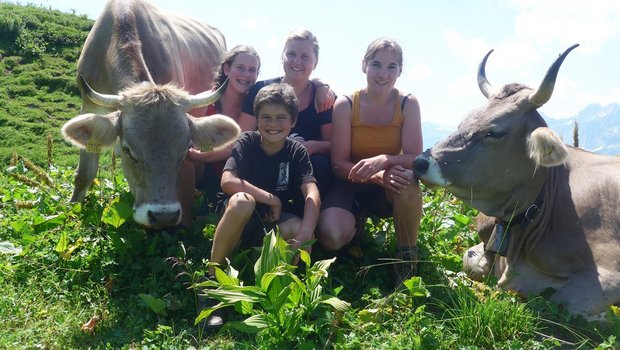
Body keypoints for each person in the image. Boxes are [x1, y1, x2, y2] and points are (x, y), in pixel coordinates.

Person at [202, 83, 321, 327]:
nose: (272, 124)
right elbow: (228, 181)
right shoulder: (246, 142)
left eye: (281, 118)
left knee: (296, 225)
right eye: (266, 117)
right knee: (242, 202)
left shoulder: (296, 151)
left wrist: (306, 234)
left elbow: (312, 192)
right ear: (256, 119)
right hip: (236, 221)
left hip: (269, 227)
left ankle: (279, 290)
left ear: (293, 122)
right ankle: (212, 284)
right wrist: (271, 198)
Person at [317, 38, 423, 286]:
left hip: (388, 185)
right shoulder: (346, 104)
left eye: (392, 67)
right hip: (349, 182)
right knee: (331, 237)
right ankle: (356, 227)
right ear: (364, 65)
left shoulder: (407, 104)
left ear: (399, 70)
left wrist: (385, 160)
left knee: (408, 183)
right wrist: (374, 175)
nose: (383, 74)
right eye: (376, 64)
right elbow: (338, 164)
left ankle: (406, 257)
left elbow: (414, 159)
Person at [239, 29, 335, 197]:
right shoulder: (259, 90)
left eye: (305, 56)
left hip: (302, 172)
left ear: (316, 62)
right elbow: (242, 137)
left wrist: (311, 146)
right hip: (264, 166)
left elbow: (333, 145)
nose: (297, 61)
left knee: (320, 164)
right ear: (282, 56)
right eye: (291, 54)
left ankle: (308, 214)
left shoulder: (323, 99)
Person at [179, 45, 260, 226]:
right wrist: (197, 154)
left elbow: (236, 145)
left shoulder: (254, 105)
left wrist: (319, 84)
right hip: (202, 168)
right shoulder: (203, 101)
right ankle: (184, 222)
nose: (246, 74)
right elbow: (187, 141)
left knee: (211, 218)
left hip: (234, 171)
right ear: (226, 69)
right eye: (240, 67)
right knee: (185, 159)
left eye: (252, 70)